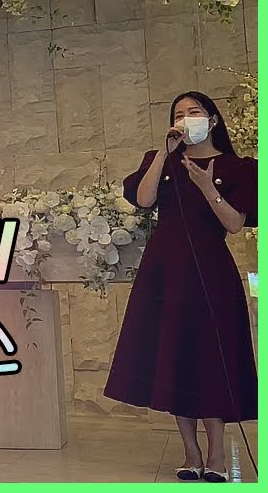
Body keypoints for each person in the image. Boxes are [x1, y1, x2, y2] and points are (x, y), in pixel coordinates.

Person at [105, 91, 258, 483]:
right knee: (175, 357)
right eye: (179, 114)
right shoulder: (163, 160)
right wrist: (165, 151)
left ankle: (217, 454)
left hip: (210, 271)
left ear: (213, 120)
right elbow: (144, 199)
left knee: (209, 358)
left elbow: (234, 224)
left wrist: (207, 186)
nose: (186, 119)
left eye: (194, 112)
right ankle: (190, 452)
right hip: (165, 271)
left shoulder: (238, 167)